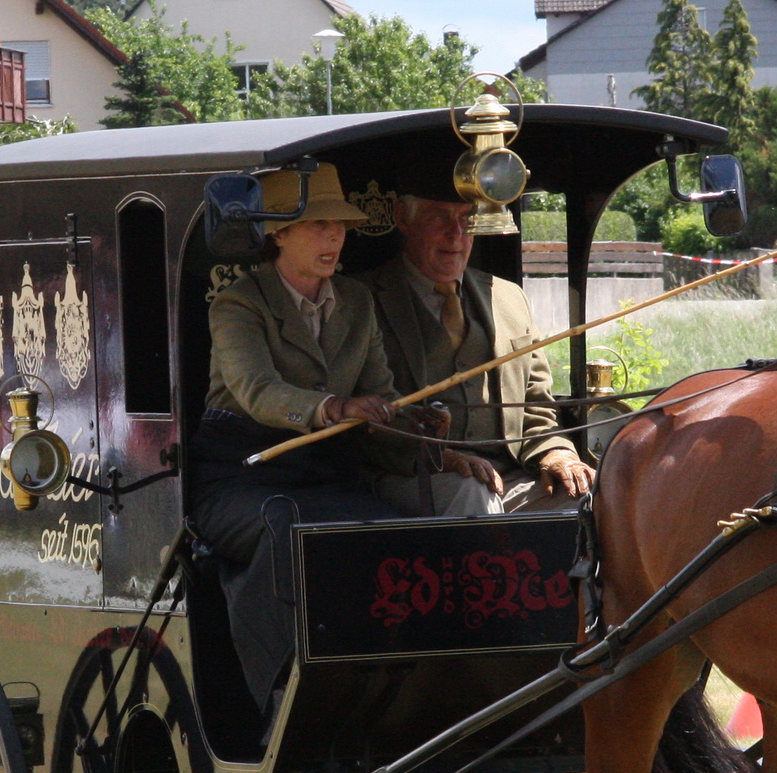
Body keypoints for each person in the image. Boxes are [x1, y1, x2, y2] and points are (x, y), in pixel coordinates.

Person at [190, 162, 401, 714]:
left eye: (340, 225)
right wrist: (335, 407)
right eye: (317, 224)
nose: (334, 236)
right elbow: (257, 390)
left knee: (393, 529)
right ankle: (276, 692)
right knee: (287, 525)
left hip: (327, 473)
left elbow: (380, 390)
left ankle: (383, 680)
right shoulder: (239, 302)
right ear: (276, 233)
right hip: (241, 474)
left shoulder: (355, 301)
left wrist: (406, 420)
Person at [359, 172, 594, 515]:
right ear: (402, 219)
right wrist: (445, 458)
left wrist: (557, 452)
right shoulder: (361, 299)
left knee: (591, 499)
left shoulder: (509, 297)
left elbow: (537, 407)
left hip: (510, 476)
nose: (455, 233)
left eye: (466, 218)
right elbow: (363, 420)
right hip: (412, 475)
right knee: (472, 497)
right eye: (438, 217)